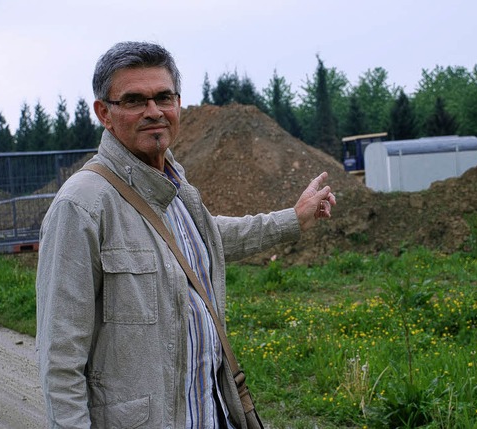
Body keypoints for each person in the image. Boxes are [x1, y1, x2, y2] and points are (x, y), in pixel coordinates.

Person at [35, 41, 336, 429]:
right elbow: (60, 361)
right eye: (134, 101)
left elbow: (209, 238)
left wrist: (293, 219)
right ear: (104, 114)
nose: (154, 112)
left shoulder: (173, 188)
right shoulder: (82, 205)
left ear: (178, 103)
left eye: (164, 97)